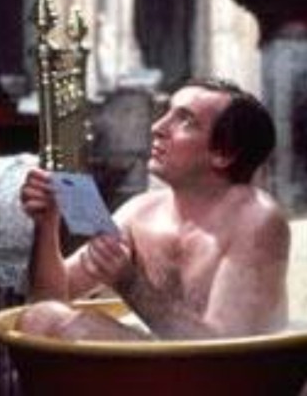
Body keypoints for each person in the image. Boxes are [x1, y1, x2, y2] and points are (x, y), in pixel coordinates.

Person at [18, 78, 290, 341]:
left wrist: (130, 283)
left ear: (224, 154)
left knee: (58, 324)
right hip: (163, 363)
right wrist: (47, 225)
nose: (157, 127)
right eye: (166, 113)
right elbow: (48, 298)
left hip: (229, 369)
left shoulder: (255, 219)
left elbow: (226, 351)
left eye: (186, 121)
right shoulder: (141, 213)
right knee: (40, 317)